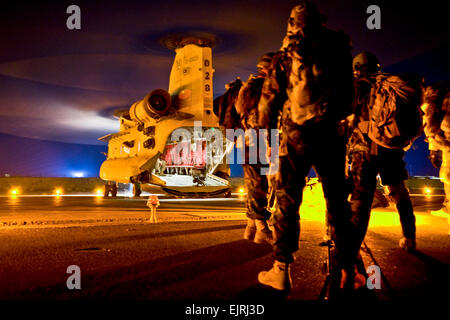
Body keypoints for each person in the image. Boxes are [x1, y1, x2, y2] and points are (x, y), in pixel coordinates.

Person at [257, 2, 362, 293]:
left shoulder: (286, 55)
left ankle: (281, 270)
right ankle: (348, 270)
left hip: (295, 135)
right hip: (331, 134)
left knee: (288, 201)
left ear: (293, 23)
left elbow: (268, 100)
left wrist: (263, 140)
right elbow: (349, 98)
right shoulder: (339, 49)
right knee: (338, 203)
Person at [347, 51, 421, 252]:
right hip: (391, 148)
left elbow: (348, 120)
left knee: (361, 199)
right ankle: (409, 237)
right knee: (398, 192)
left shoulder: (357, 87)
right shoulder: (389, 84)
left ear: (358, 68)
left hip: (365, 150)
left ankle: (352, 249)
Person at [234, 53, 275, 244]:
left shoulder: (249, 87)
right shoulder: (266, 87)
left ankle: (250, 228)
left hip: (248, 140)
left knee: (254, 184)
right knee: (259, 185)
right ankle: (261, 228)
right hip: (259, 140)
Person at [422, 82, 450, 234]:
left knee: (447, 176)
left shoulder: (430, 104)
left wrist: (433, 149)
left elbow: (430, 126)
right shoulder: (445, 99)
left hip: (448, 144)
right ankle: (447, 207)